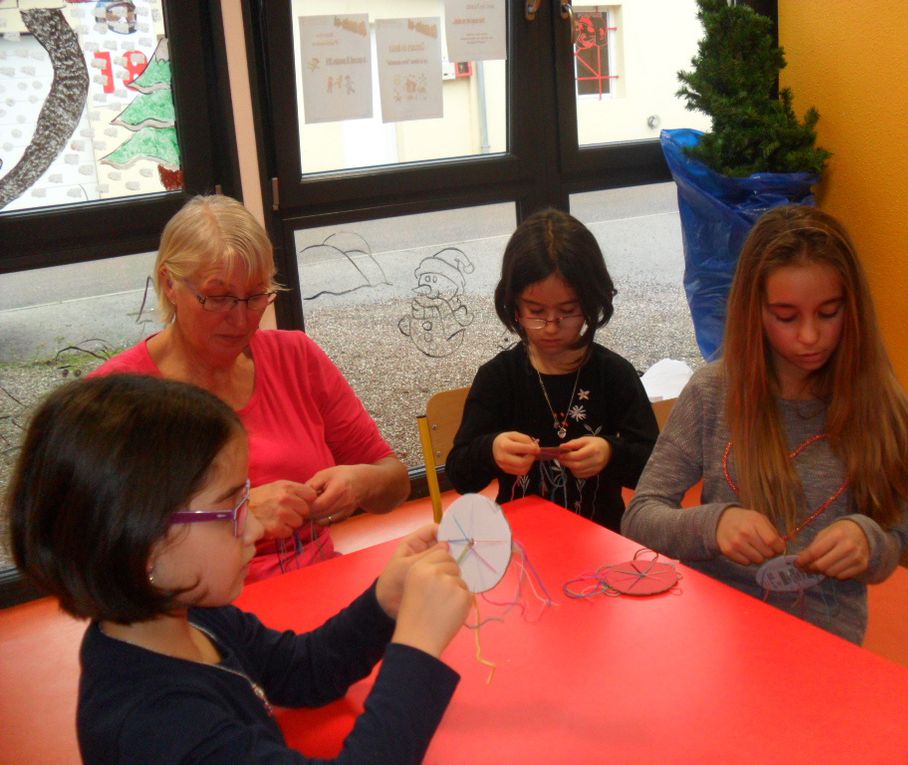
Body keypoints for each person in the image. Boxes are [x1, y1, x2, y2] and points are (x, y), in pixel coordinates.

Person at [6, 374, 472, 764]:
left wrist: (384, 603)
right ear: (142, 545)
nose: (253, 528)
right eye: (231, 508)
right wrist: (418, 650)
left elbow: (301, 671)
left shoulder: (191, 613)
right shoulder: (157, 726)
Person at [622, 205, 908, 644]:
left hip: (822, 641)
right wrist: (714, 526)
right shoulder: (714, 392)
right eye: (786, 316)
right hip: (714, 627)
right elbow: (640, 518)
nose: (809, 336)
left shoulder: (879, 404)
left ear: (852, 309)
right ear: (754, 312)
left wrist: (867, 539)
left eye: (828, 313)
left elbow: (892, 541)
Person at [92, 195, 409, 581]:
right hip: (191, 612)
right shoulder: (117, 395)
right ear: (169, 283)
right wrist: (235, 515)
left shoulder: (296, 358)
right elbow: (95, 546)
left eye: (256, 296)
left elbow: (394, 482)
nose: (241, 318)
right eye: (220, 297)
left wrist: (359, 483)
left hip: (315, 586)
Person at [445, 208, 658, 532]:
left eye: (568, 311)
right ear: (514, 305)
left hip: (602, 541)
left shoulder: (614, 375)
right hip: (519, 542)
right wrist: (492, 450)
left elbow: (656, 468)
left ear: (591, 303)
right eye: (536, 311)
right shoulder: (499, 378)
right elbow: (461, 474)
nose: (551, 326)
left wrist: (609, 452)